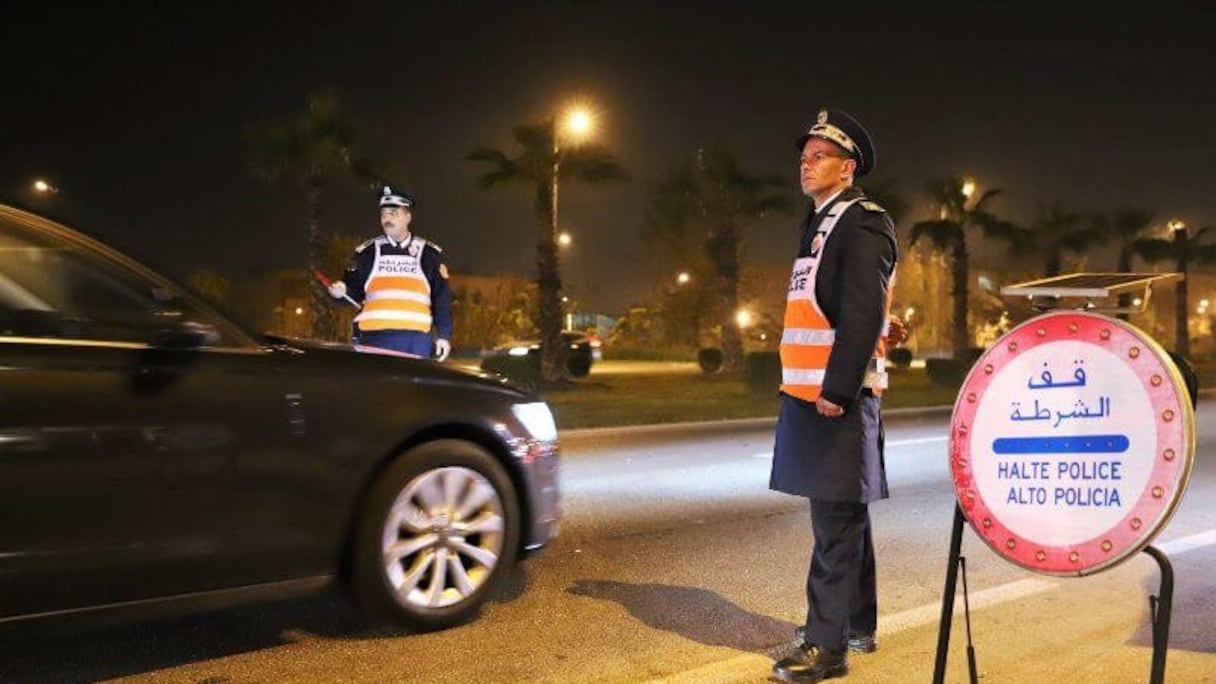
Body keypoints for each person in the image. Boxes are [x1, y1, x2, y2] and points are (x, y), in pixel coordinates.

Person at [769, 109, 897, 683]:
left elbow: (863, 312)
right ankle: (856, 624)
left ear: (847, 168)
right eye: (804, 154)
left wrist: (837, 389)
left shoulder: (861, 222)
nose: (806, 161)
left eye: (818, 155)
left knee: (834, 524)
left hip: (832, 397)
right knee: (846, 513)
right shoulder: (822, 221)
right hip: (809, 393)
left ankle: (827, 648)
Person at [328, 184, 452, 361]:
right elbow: (350, 293)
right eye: (383, 214)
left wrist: (443, 337)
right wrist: (340, 291)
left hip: (415, 342)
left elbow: (441, 300)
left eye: (393, 213)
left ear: (408, 217)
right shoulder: (367, 253)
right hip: (373, 340)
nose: (387, 218)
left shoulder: (428, 255)